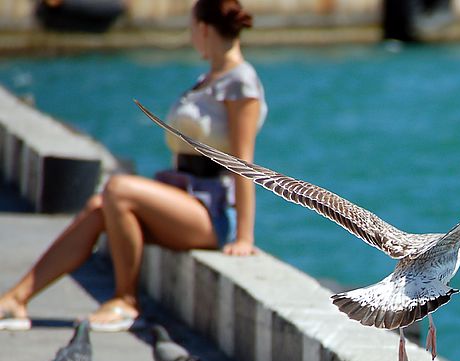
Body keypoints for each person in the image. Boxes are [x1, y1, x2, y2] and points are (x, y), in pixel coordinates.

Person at [0, 0, 267, 332]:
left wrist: (244, 236)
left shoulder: (241, 82)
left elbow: (244, 163)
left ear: (203, 29)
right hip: (183, 195)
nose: (191, 37)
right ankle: (16, 299)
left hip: (210, 211)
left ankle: (126, 301)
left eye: (191, 28)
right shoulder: (208, 79)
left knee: (117, 189)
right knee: (100, 206)